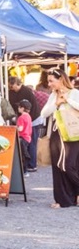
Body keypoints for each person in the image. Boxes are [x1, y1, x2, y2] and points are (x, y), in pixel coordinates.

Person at [39, 68, 79, 208]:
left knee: (68, 165)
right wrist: (56, 103)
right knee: (57, 167)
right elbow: (43, 113)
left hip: (73, 133)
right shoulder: (52, 96)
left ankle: (75, 194)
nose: (49, 84)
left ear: (61, 79)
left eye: (51, 81)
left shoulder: (74, 93)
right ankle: (63, 200)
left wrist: (66, 100)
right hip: (57, 132)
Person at [9, 76, 40, 172]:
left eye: (12, 85)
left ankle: (32, 164)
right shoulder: (14, 92)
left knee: (31, 143)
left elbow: (32, 107)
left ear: (16, 83)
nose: (10, 87)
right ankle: (30, 164)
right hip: (30, 119)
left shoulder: (26, 91)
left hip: (33, 119)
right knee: (29, 143)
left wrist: (25, 120)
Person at [17, 100, 33, 174]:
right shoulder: (28, 116)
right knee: (24, 154)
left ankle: (24, 171)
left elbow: (20, 129)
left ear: (22, 108)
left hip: (22, 137)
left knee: (22, 155)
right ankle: (25, 170)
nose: (18, 108)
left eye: (19, 107)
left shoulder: (21, 118)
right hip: (28, 137)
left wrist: (14, 127)